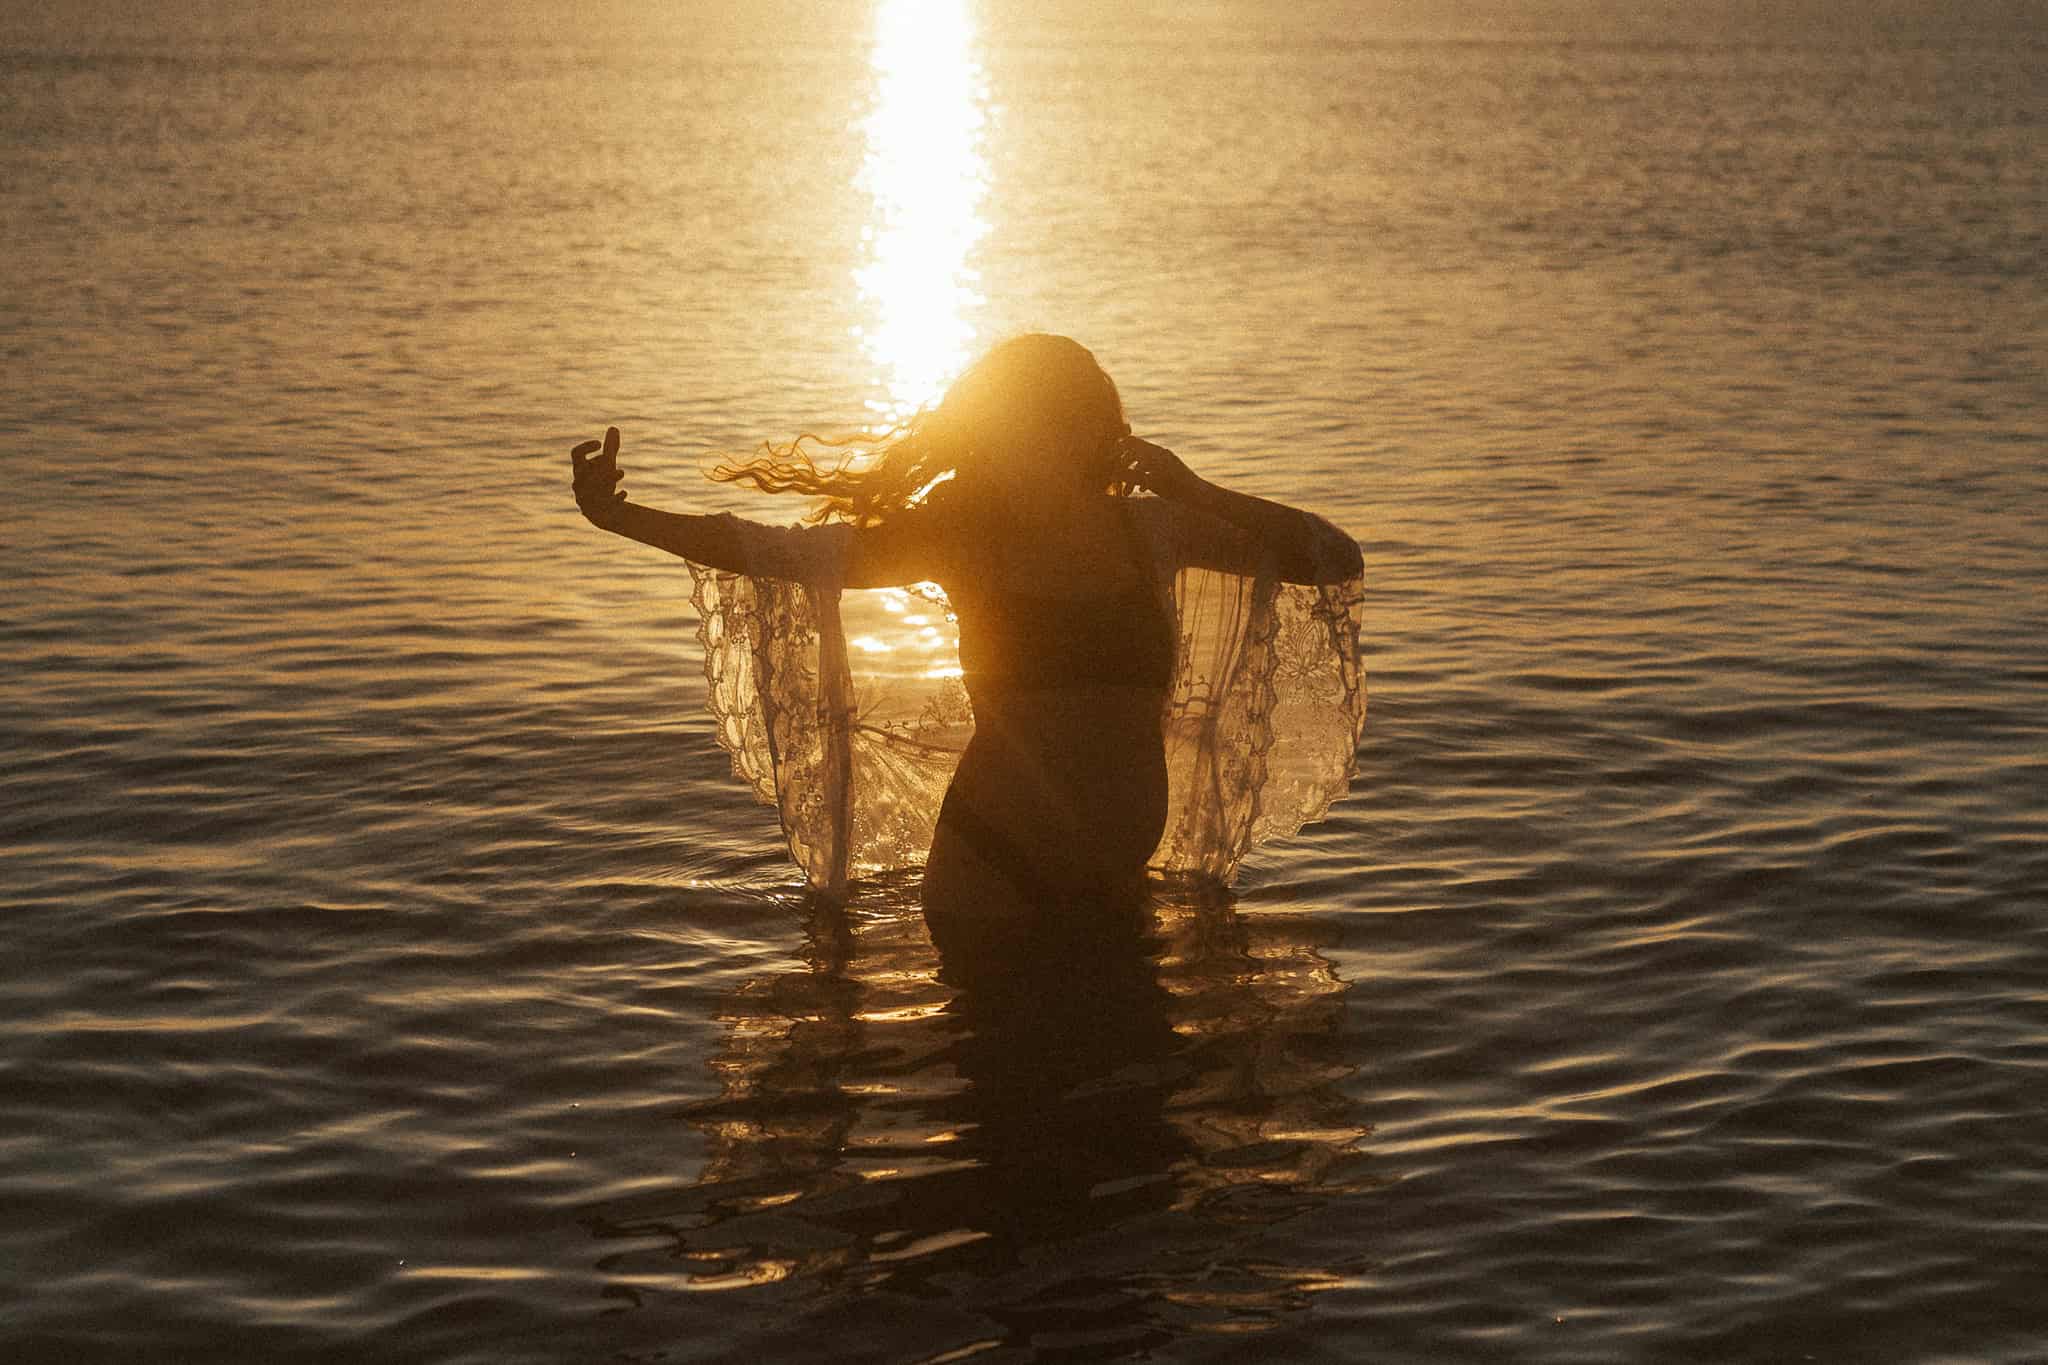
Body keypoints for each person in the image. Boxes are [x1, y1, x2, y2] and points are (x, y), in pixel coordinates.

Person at [570, 334, 1361, 965]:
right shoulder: (963, 536)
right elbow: (775, 553)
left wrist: (1193, 488)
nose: (1079, 435)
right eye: (1052, 419)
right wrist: (622, 518)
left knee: (1135, 1148)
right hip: (992, 880)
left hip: (1116, 886)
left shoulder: (1151, 529)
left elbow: (1329, 558)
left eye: (1088, 417)